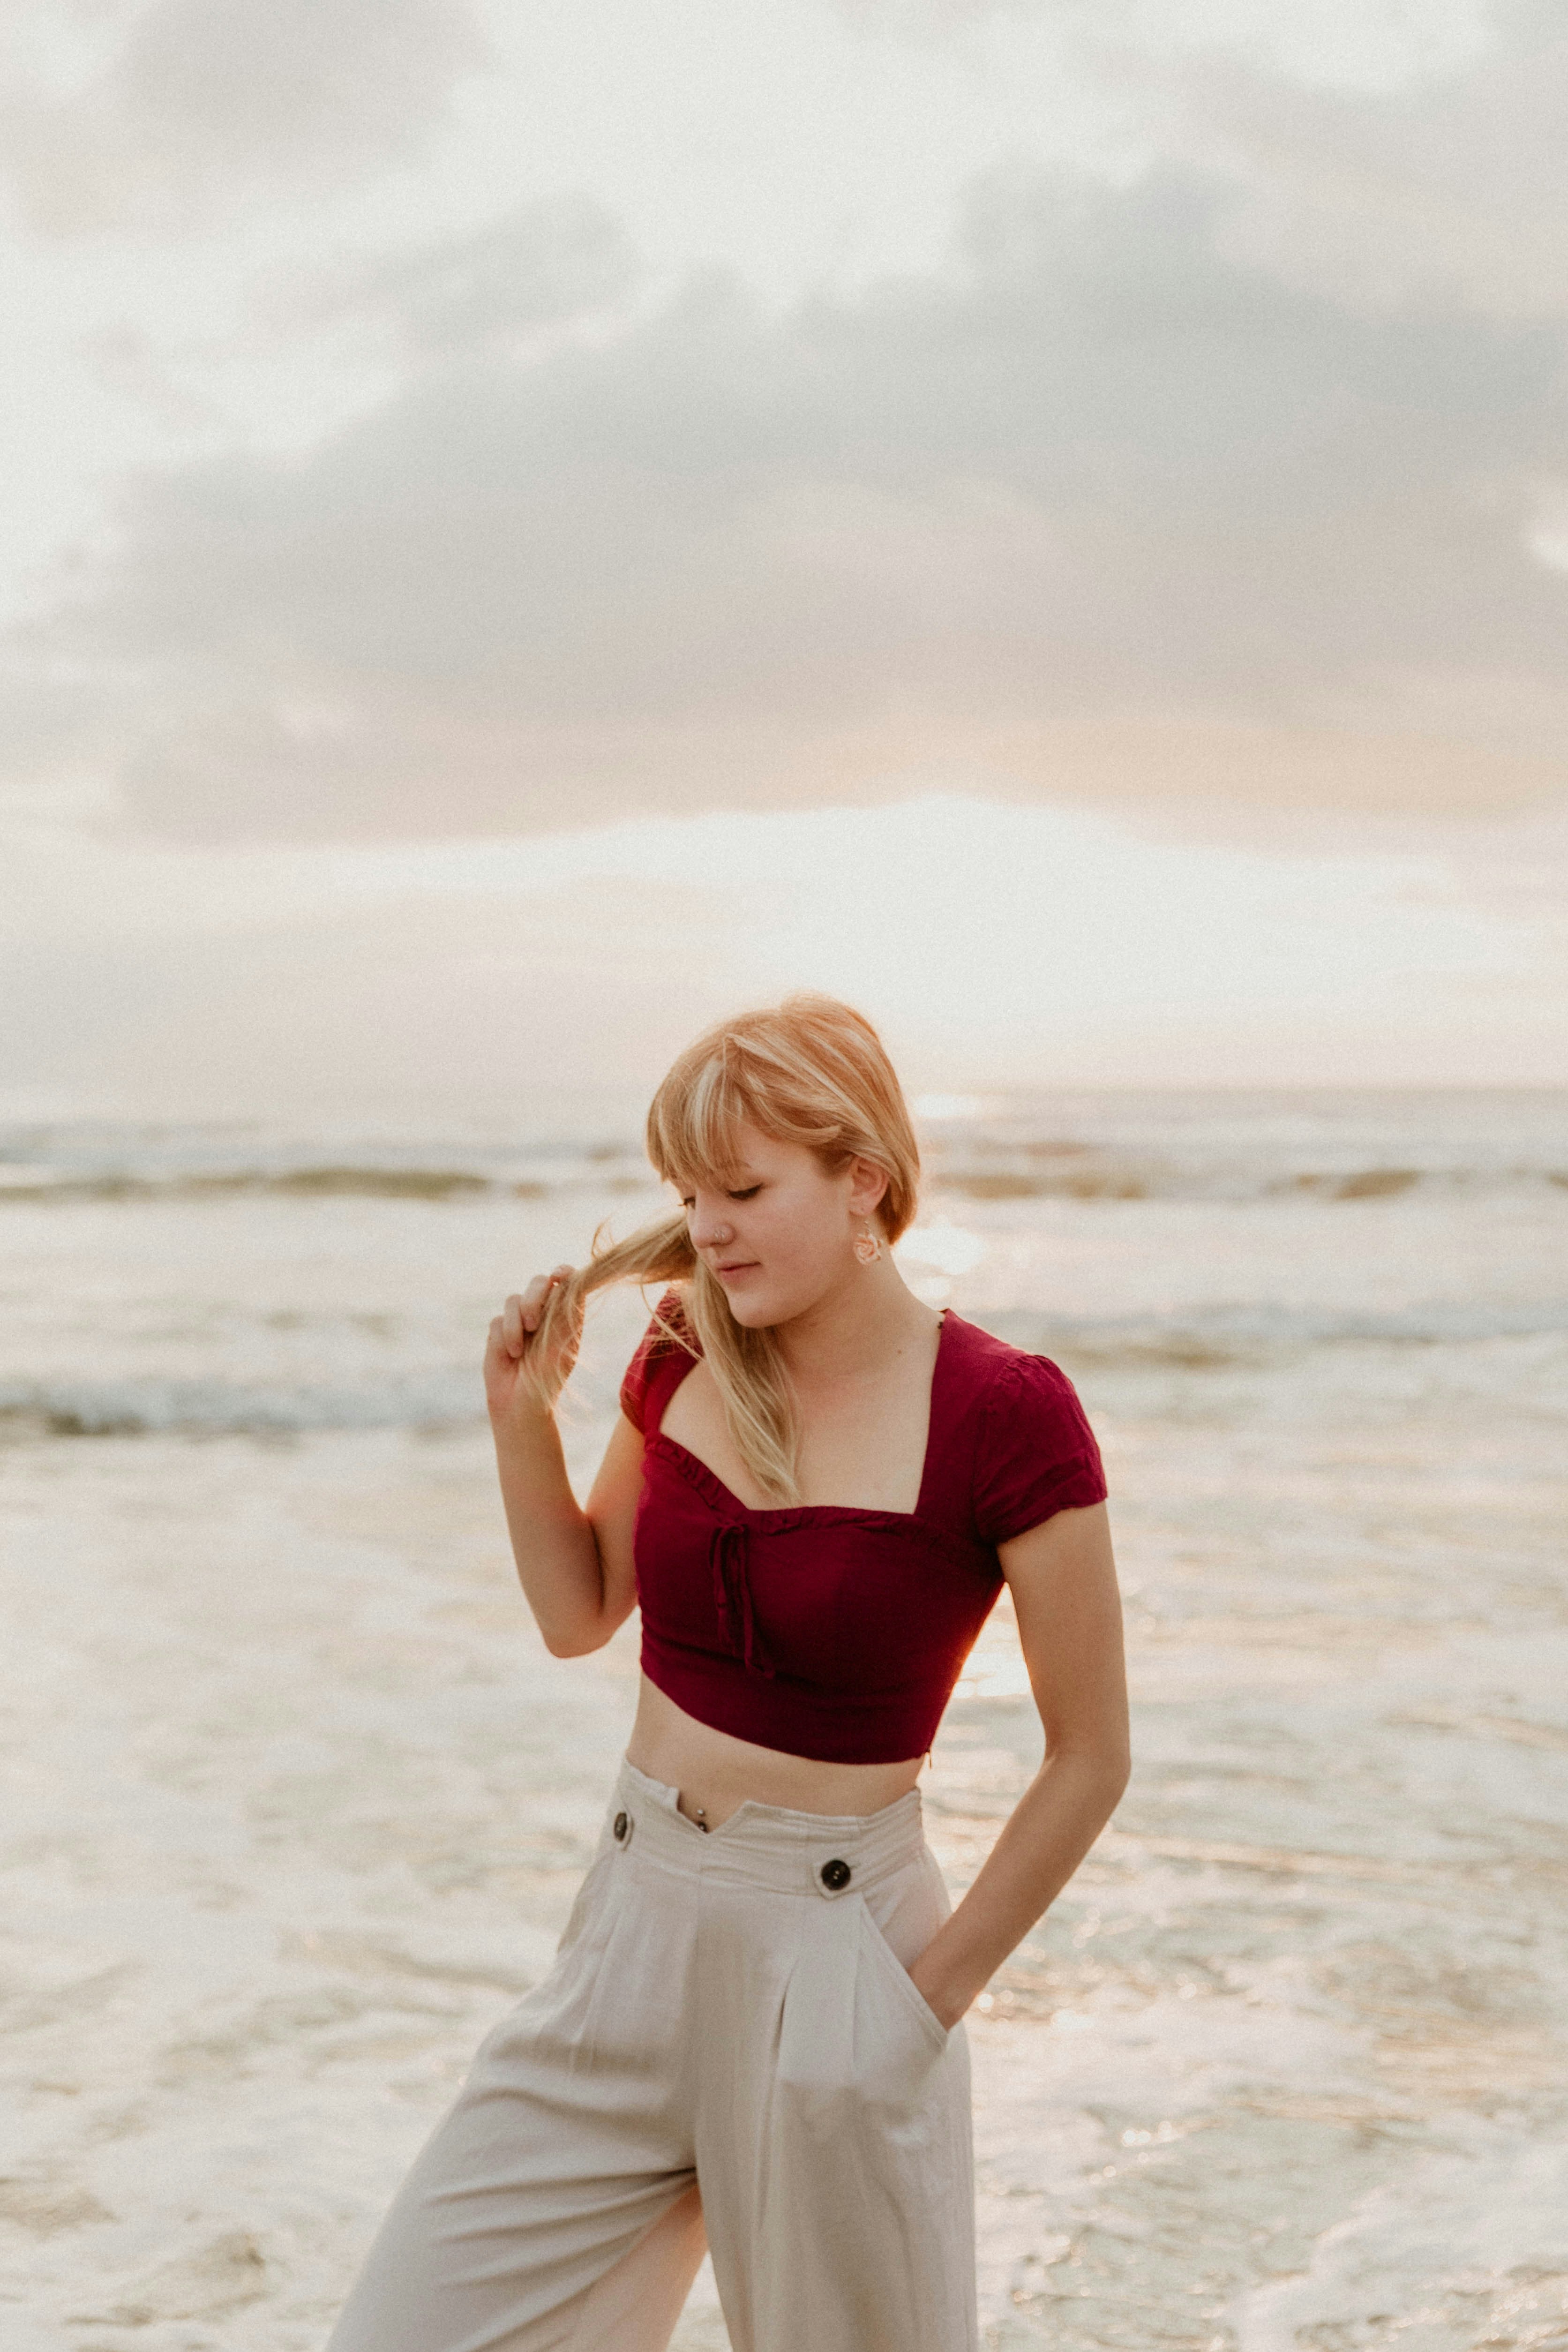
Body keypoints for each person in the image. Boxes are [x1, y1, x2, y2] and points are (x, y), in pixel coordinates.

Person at [326, 993, 1130, 2352]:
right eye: (689, 1193)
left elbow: (1088, 1753)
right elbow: (580, 1611)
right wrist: (520, 1422)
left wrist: (911, 2008)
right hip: (626, 1935)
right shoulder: (680, 1346)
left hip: (837, 1961)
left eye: (744, 1189)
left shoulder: (1004, 1411)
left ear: (861, 1177)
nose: (705, 1229)